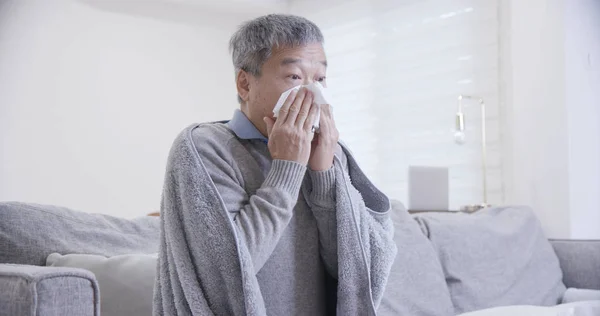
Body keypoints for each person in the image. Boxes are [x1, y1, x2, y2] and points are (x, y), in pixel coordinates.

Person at [191, 14, 395, 315]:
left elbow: (355, 272)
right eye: (295, 77)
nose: (315, 94)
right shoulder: (207, 147)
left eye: (320, 79)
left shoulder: (327, 150)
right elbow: (227, 275)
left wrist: (323, 176)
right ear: (245, 84)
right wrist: (287, 167)